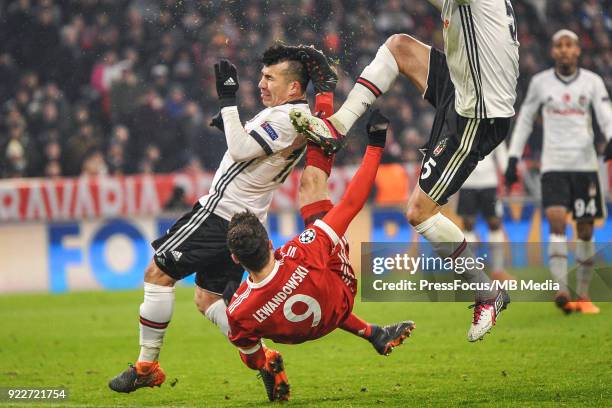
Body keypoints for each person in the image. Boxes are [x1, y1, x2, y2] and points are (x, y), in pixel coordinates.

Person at [108, 44, 335, 393]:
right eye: (261, 75)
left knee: (157, 273)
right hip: (241, 218)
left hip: (219, 214)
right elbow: (249, 150)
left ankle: (147, 365)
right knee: (208, 300)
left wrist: (227, 101)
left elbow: (242, 150)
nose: (261, 83)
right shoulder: (287, 116)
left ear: (293, 87)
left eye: (270, 77)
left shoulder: (285, 117)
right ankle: (265, 360)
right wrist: (227, 124)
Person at [289, 0, 519, 341]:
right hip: (462, 87)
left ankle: (487, 291)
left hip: (478, 114)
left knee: (419, 213)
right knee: (399, 47)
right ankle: (338, 126)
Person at [226, 110, 415, 401]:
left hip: (299, 332)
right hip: (340, 293)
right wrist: (376, 143)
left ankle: (372, 332)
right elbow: (352, 203)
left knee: (252, 329)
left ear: (235, 259)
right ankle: (323, 105)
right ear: (268, 243)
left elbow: (252, 360)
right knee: (311, 184)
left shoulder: (239, 310)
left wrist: (262, 358)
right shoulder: (303, 250)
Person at [505, 29, 612, 315]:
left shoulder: (592, 82)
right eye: (559, 45)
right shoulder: (540, 83)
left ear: (577, 51)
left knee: (586, 231)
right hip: (553, 166)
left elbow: (605, 115)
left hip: (585, 167)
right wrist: (513, 157)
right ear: (553, 51)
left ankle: (584, 294)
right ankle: (562, 289)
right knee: (555, 224)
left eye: (569, 45)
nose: (564, 50)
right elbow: (525, 119)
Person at [456, 143, 510, 281]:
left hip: (489, 183)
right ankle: (471, 272)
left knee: (494, 223)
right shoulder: (461, 125)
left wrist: (507, 176)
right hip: (466, 181)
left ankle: (498, 270)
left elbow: (501, 152)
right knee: (468, 225)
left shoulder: (495, 124)